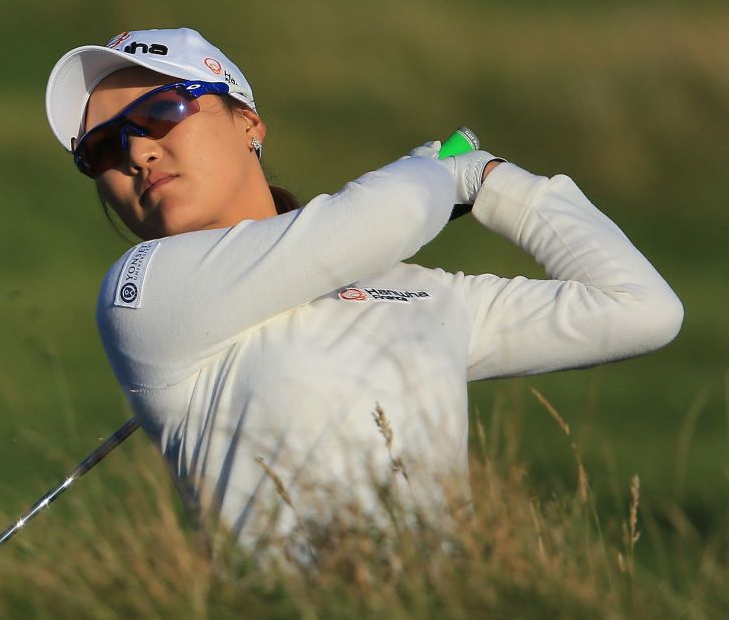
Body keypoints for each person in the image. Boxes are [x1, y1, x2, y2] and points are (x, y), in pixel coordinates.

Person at [44, 27, 684, 562]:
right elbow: (390, 212)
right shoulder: (143, 293)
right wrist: (440, 171)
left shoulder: (416, 292)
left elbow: (641, 309)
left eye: (160, 113)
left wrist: (496, 183)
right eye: (101, 148)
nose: (136, 152)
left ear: (248, 123)